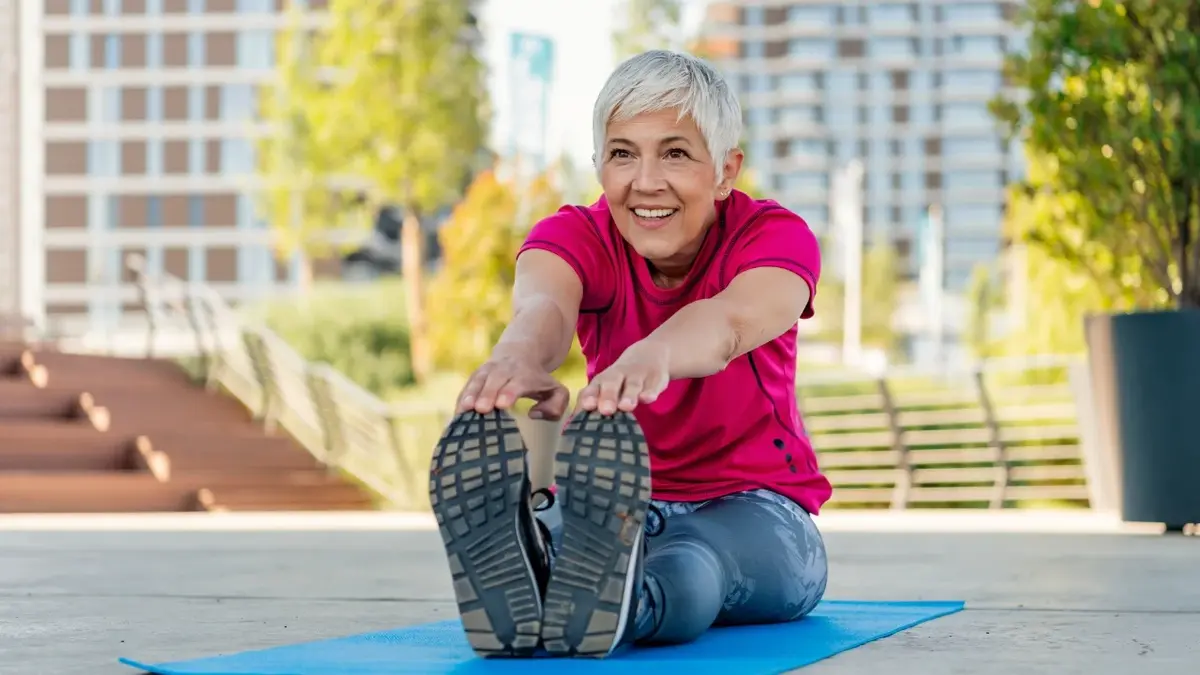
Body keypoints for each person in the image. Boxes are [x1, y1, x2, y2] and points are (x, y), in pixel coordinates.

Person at [428, 49, 830, 660]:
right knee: (572, 540)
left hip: (756, 507)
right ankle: (536, 577)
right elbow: (546, 306)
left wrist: (654, 354)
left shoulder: (774, 237)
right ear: (598, 166)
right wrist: (518, 356)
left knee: (695, 560)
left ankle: (627, 604)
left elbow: (729, 321)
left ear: (726, 170)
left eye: (675, 153)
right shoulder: (575, 235)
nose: (645, 181)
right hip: (609, 506)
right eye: (623, 154)